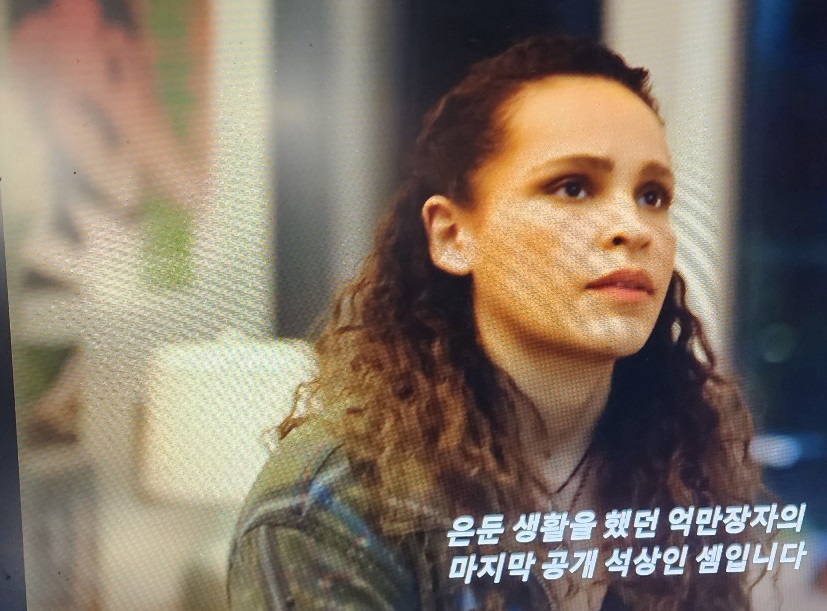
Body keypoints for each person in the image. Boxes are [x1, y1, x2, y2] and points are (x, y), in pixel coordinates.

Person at [227, 35, 768, 610]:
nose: (632, 227)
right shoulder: (335, 505)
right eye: (573, 186)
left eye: (652, 196)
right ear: (453, 235)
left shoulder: (679, 469)